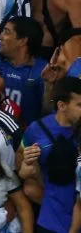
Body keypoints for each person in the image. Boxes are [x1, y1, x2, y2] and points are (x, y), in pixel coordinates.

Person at [19, 77, 81, 233]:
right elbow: (21, 169)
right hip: (50, 219)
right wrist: (26, 166)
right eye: (80, 105)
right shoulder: (35, 129)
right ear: (62, 105)